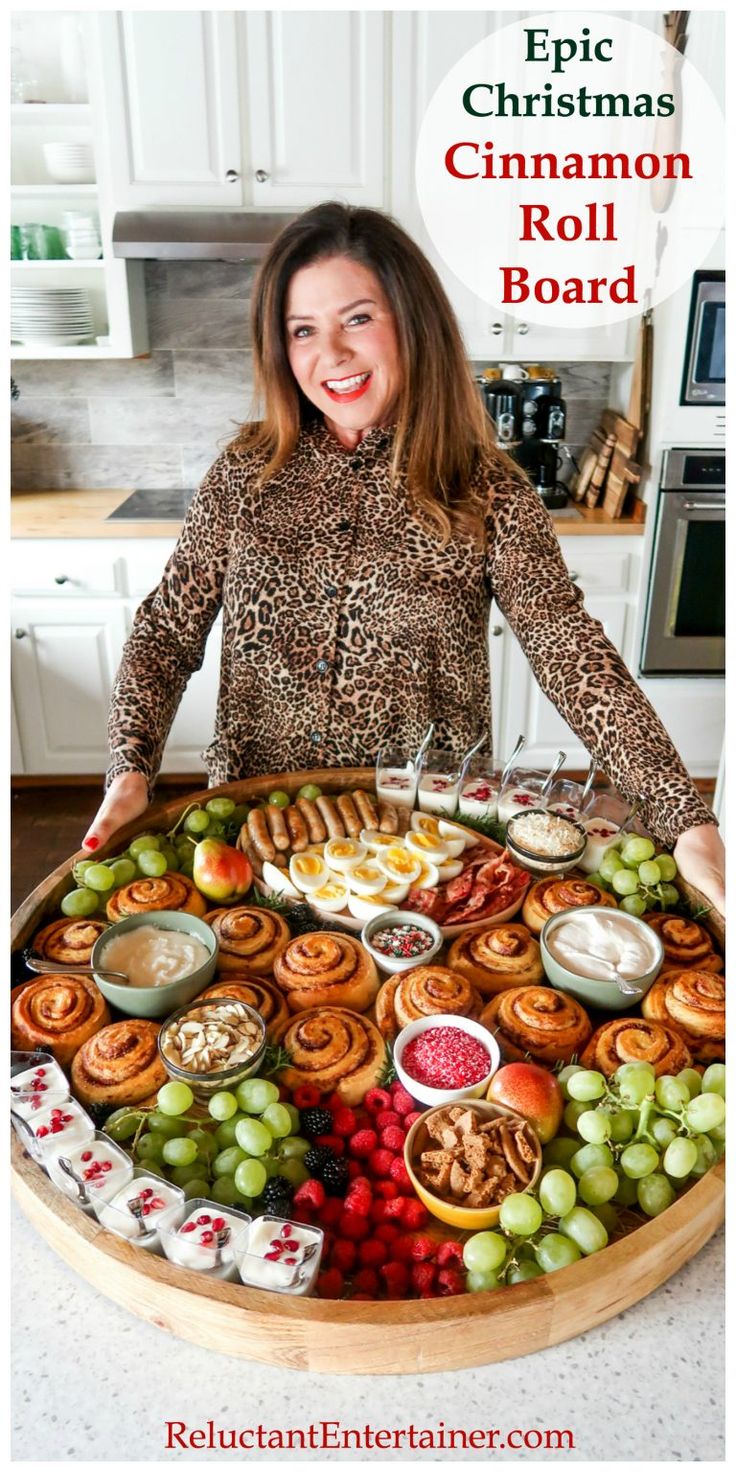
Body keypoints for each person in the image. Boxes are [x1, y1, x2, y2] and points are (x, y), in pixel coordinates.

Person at [83, 203, 725, 913]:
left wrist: (684, 815)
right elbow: (167, 631)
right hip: (261, 841)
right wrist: (130, 770)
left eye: (357, 318)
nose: (330, 355)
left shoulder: (488, 489)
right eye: (302, 331)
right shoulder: (243, 475)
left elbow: (567, 647)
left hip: (422, 851)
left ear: (412, 321)